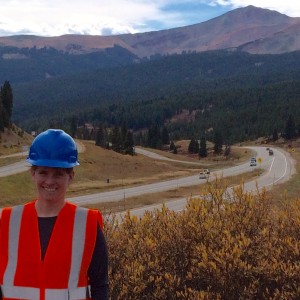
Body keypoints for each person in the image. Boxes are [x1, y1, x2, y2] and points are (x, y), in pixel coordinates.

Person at [0, 129, 109, 299]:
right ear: (33, 174)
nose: (50, 181)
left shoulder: (87, 224)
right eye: (43, 172)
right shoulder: (7, 222)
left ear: (70, 177)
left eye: (58, 173)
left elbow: (100, 286)